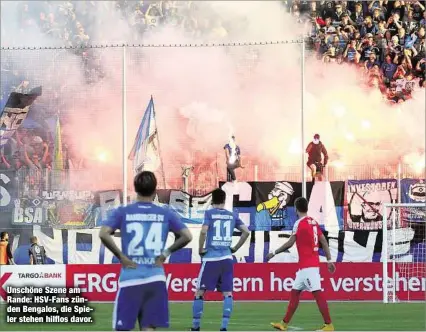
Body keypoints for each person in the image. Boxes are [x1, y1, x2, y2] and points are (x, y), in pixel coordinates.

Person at [99, 171, 192, 331]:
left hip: (131, 278)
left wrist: (121, 257)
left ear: (135, 188)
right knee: (148, 328)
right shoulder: (165, 213)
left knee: (122, 328)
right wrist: (165, 254)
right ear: (155, 189)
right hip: (156, 278)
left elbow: (103, 233)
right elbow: (187, 236)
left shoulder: (124, 212)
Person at [267, 197, 335, 331]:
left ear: (296, 209)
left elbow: (290, 242)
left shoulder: (299, 223)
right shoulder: (314, 222)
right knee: (294, 293)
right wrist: (329, 260)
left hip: (308, 267)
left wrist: (274, 252)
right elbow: (324, 242)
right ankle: (284, 323)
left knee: (317, 294)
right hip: (307, 267)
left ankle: (329, 325)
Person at [190, 188, 250, 332]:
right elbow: (246, 232)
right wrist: (235, 248)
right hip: (227, 259)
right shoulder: (232, 215)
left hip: (211, 258)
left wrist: (200, 248)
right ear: (224, 200)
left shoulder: (209, 213)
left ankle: (196, 326)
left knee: (199, 292)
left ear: (212, 200)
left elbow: (204, 231)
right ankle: (223, 327)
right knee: (227, 293)